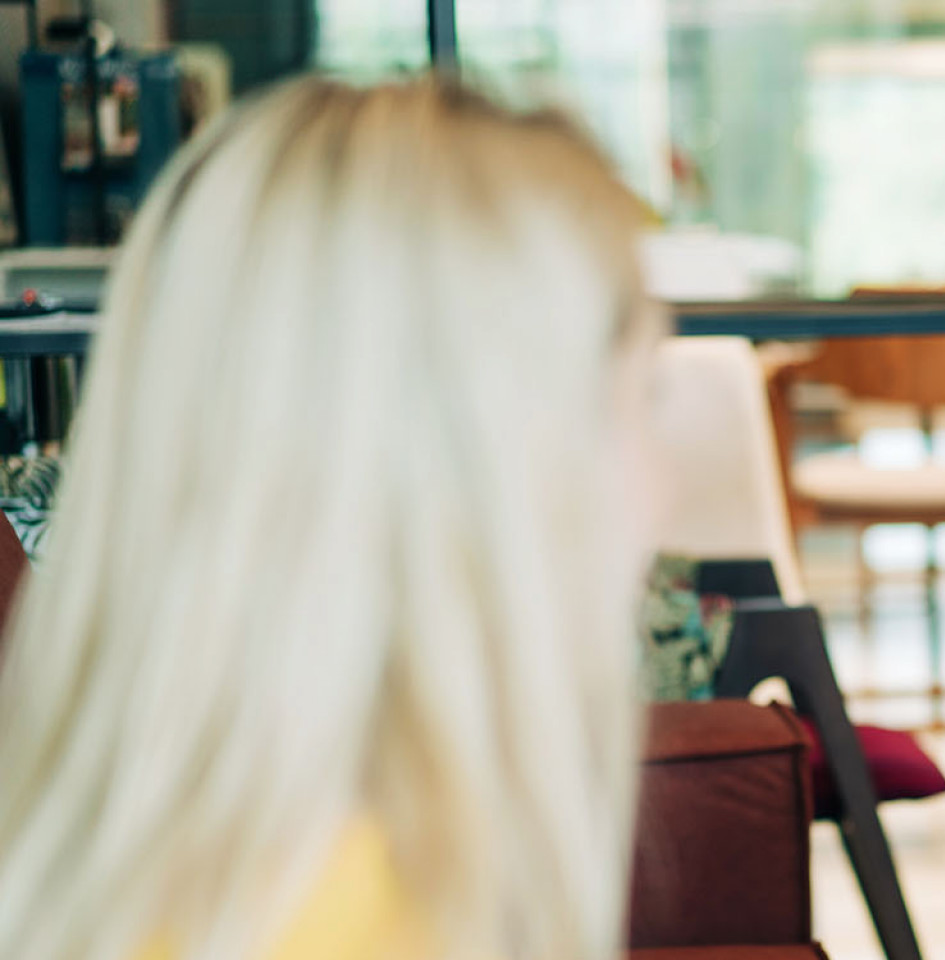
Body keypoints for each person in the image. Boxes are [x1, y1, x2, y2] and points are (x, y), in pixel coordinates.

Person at [0, 76, 663, 960]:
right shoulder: (377, 924)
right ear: (485, 469)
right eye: (642, 399)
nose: (663, 487)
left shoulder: (155, 880)